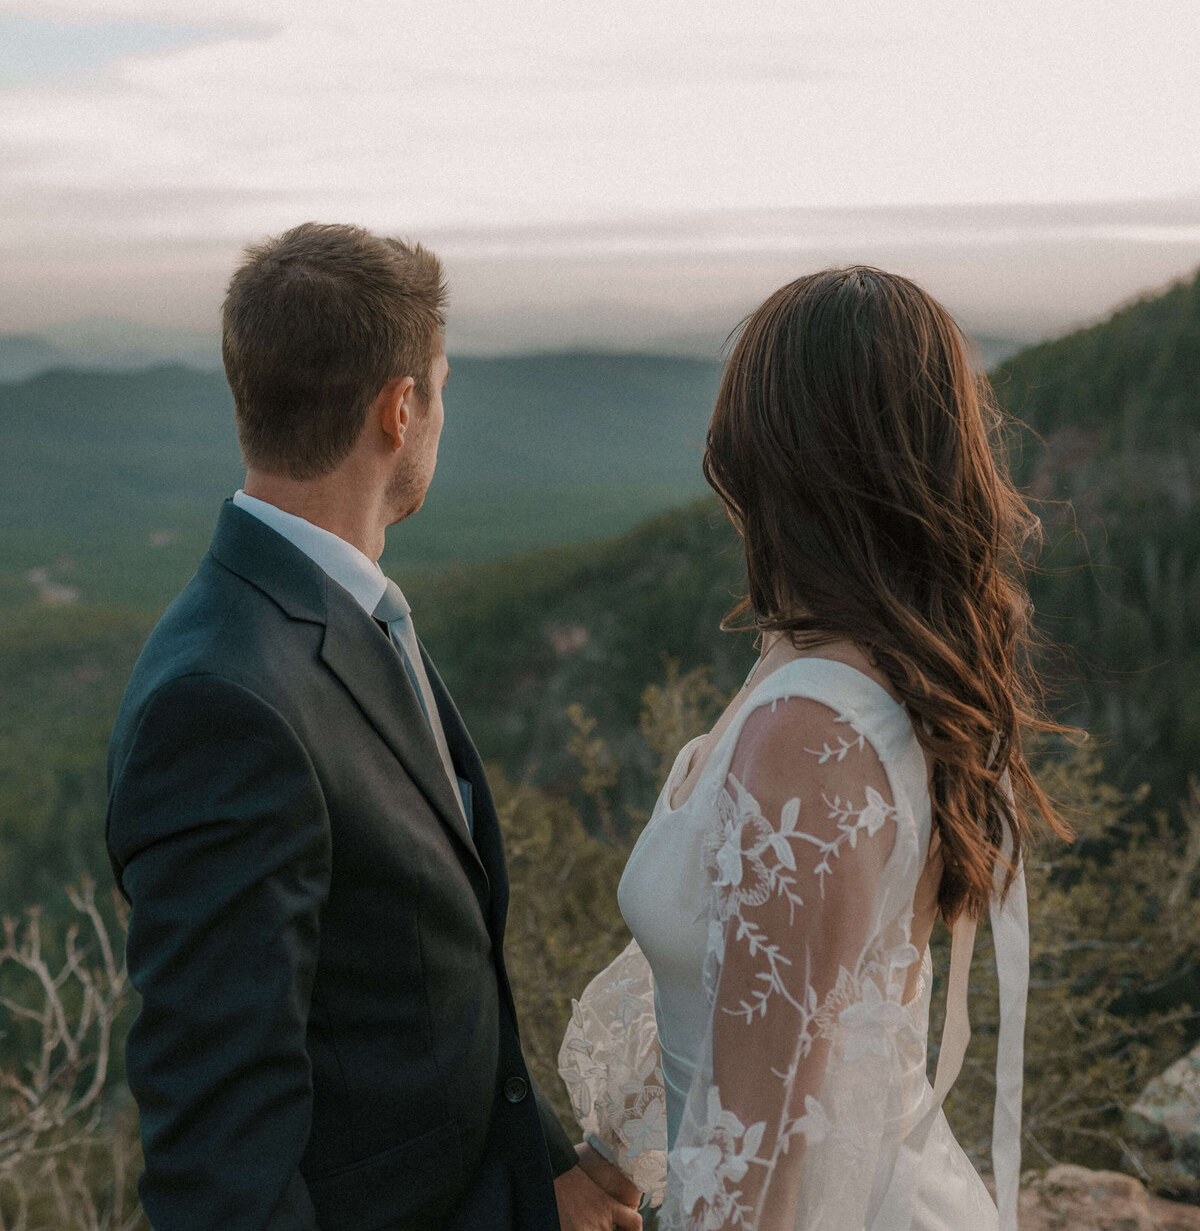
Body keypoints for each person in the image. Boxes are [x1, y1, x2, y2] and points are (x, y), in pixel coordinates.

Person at [106, 222, 642, 1231]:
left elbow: (415, 1014)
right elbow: (221, 1167)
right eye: (438, 387)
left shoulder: (350, 618)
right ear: (400, 409)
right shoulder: (221, 702)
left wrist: (539, 1191)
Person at [559, 266, 1070, 1231]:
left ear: (766, 458)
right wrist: (608, 1162)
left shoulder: (812, 738)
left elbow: (754, 1178)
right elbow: (729, 979)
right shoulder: (831, 663)